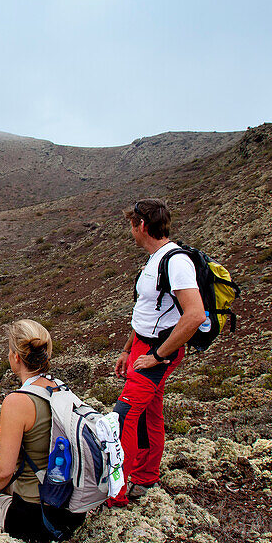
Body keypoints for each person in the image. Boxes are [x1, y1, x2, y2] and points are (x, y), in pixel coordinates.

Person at [0, 319, 85, 543]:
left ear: (16, 357)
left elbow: (4, 471)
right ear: (46, 354)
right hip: (67, 503)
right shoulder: (59, 388)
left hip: (37, 518)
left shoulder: (18, 402)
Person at [108, 198, 204, 507]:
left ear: (142, 226)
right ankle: (145, 477)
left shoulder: (176, 261)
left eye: (131, 225)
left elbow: (194, 315)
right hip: (142, 347)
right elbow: (147, 311)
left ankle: (116, 493)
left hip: (157, 351)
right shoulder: (154, 259)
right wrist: (127, 349)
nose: (130, 231)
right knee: (150, 414)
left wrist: (159, 355)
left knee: (122, 418)